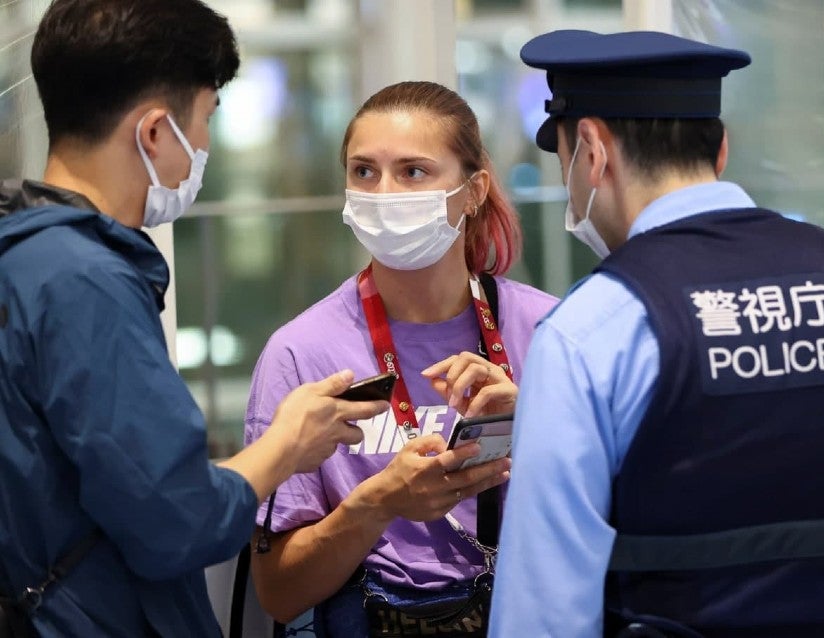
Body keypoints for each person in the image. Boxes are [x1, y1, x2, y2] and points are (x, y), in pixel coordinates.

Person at [489, 29, 824, 638]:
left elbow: (543, 614)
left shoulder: (589, 335)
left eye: (566, 160)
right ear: (722, 148)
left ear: (594, 152)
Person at [0, 1, 388, 636]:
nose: (203, 145)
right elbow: (174, 520)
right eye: (205, 120)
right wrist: (288, 444)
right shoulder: (85, 282)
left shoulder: (26, 252)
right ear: (155, 132)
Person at [244, 80, 558, 637]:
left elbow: (624, 520)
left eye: (413, 171)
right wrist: (377, 505)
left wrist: (540, 422)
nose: (384, 193)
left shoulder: (549, 332)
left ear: (474, 190)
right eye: (364, 172)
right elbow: (279, 593)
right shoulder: (301, 352)